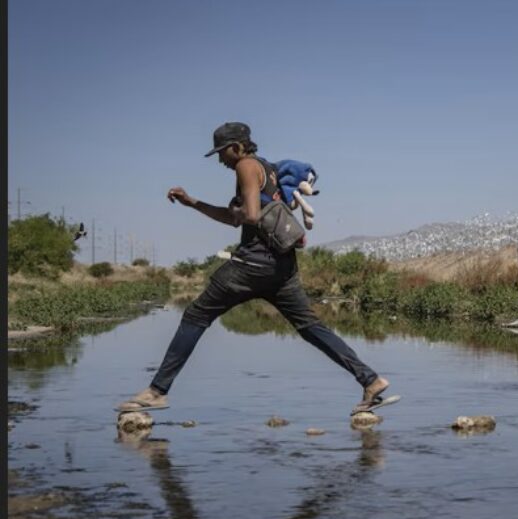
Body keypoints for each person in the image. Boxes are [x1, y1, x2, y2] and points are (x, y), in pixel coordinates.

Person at [117, 122, 392, 415]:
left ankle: (157, 391)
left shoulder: (245, 166)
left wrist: (238, 210)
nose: (220, 159)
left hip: (252, 265)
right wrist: (193, 203)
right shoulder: (267, 169)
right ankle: (370, 380)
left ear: (237, 147)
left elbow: (248, 215)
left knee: (196, 316)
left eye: (222, 152)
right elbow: (237, 218)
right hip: (282, 266)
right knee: (310, 327)